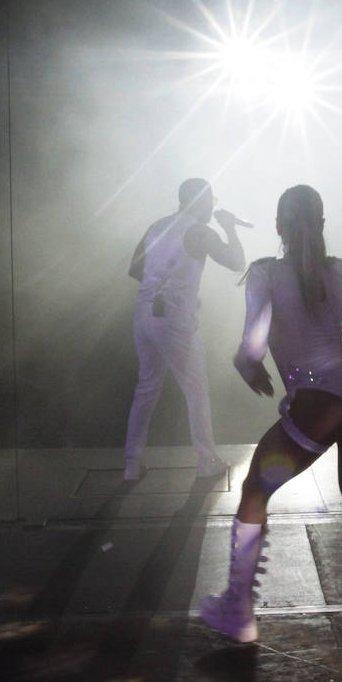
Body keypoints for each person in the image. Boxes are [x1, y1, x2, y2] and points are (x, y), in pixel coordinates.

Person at [200, 185, 342, 646]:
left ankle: (238, 609)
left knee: (254, 488)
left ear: (277, 227)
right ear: (323, 225)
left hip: (320, 398)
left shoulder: (265, 274)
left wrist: (247, 367)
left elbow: (251, 346)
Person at [124, 178, 246, 481]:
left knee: (146, 388)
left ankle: (131, 465)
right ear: (200, 202)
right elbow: (236, 262)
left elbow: (136, 268)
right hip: (173, 320)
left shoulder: (158, 226)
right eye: (211, 202)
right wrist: (230, 227)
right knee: (196, 390)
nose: (212, 208)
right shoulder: (199, 230)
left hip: (143, 315)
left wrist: (166, 287)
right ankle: (206, 463)